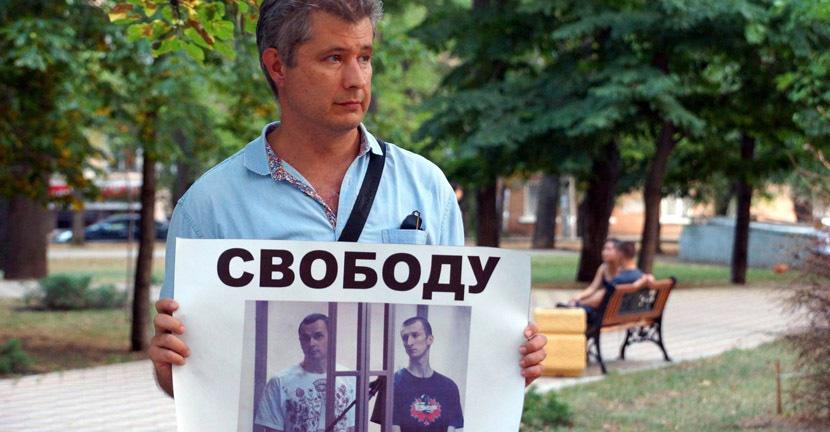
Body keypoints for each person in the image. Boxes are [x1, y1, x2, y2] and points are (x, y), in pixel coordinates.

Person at [149, 0, 547, 399]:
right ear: (277, 66)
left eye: (365, 57)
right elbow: (191, 383)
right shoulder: (208, 208)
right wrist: (170, 368)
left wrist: (506, 367)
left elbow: (457, 344)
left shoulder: (427, 189)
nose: (356, 79)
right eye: (334, 58)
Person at [255, 314, 355, 432]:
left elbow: (352, 427)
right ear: (300, 342)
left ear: (332, 338)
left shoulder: (349, 378)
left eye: (318, 336)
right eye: (306, 338)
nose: (311, 343)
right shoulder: (279, 382)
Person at [378, 316, 464, 432]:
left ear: (430, 339)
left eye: (415, 335)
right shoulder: (392, 385)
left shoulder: (449, 387)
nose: (409, 342)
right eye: (405, 338)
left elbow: (452, 428)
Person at [563, 239, 653, 325]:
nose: (604, 252)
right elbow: (593, 289)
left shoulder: (620, 278)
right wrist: (578, 298)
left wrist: (578, 303)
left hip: (608, 315)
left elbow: (601, 298)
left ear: (619, 253)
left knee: (573, 311)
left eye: (609, 249)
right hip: (627, 313)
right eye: (604, 249)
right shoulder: (638, 275)